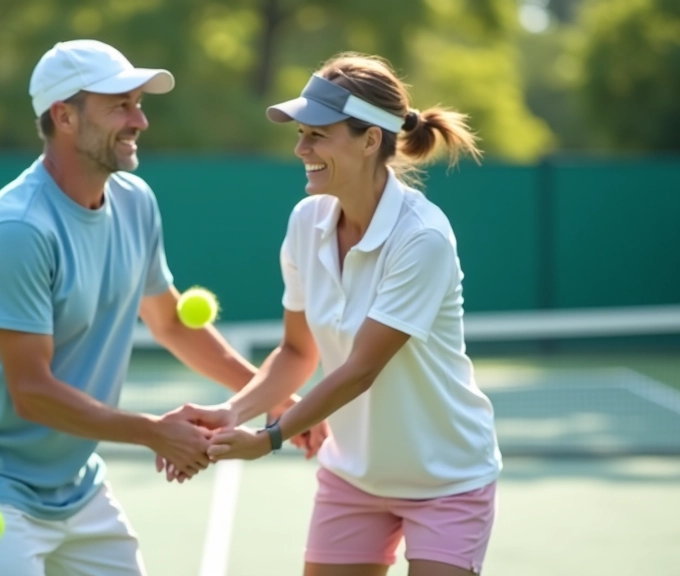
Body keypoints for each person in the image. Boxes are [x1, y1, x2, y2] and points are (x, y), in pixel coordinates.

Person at [0, 39, 324, 576]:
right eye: (120, 105)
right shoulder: (17, 231)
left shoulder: (135, 200)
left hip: (75, 483)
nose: (140, 120)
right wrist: (155, 431)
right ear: (63, 116)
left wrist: (273, 399)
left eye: (138, 103)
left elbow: (172, 321)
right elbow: (32, 393)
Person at [187, 52, 503, 576]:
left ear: (370, 139)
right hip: (353, 477)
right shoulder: (305, 220)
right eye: (301, 134)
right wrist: (234, 411)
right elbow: (296, 351)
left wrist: (268, 439)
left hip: (447, 479)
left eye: (317, 134)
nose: (300, 148)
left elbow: (359, 370)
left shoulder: (422, 239)